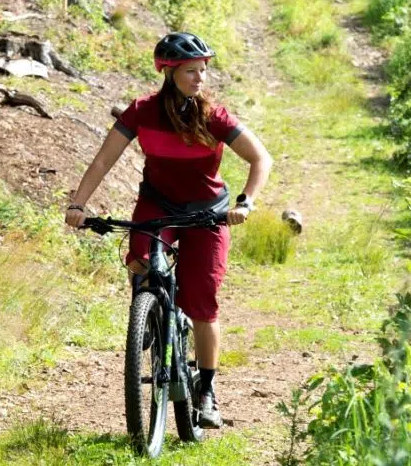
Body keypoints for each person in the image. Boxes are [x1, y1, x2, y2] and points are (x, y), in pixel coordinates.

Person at [64, 31, 271, 428]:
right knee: (139, 260)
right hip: (158, 206)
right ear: (169, 72)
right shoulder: (142, 112)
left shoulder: (214, 117)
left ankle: (206, 390)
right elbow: (104, 160)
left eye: (203, 71)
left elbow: (260, 159)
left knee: (202, 300)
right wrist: (78, 204)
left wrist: (245, 201)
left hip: (208, 214)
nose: (200, 79)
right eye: (192, 71)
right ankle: (149, 314)